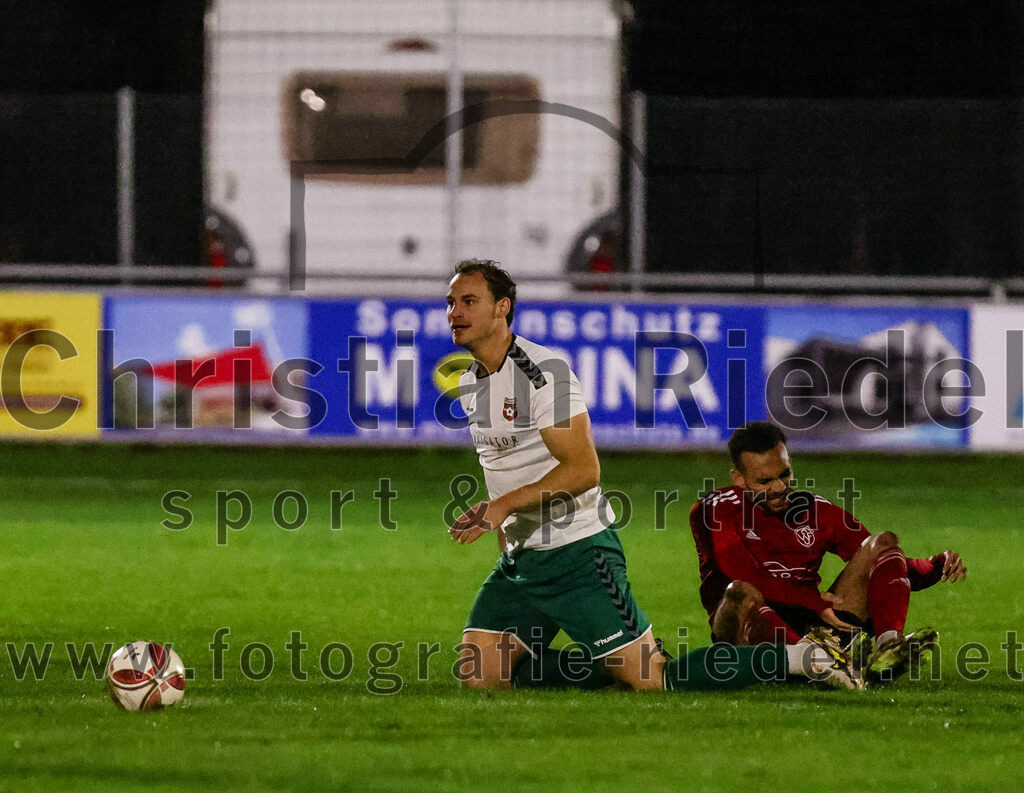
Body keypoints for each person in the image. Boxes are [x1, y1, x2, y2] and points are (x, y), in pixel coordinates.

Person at [446, 259, 859, 692]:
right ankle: (612, 663)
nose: (456, 312)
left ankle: (802, 656)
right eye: (452, 302)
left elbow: (584, 471)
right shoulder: (472, 382)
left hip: (576, 553)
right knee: (482, 676)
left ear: (502, 307)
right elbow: (504, 469)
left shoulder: (542, 374)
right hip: (522, 560)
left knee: (653, 679)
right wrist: (506, 534)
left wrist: (504, 506)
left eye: (469, 301)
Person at [689, 420, 967, 681]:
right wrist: (812, 600)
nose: (779, 487)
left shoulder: (817, 511)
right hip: (745, 633)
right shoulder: (714, 509)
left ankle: (887, 649)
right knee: (739, 591)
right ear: (739, 478)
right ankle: (819, 661)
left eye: (785, 474)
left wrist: (935, 565)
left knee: (882, 544)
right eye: (765, 481)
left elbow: (884, 567)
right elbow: (740, 569)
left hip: (815, 628)